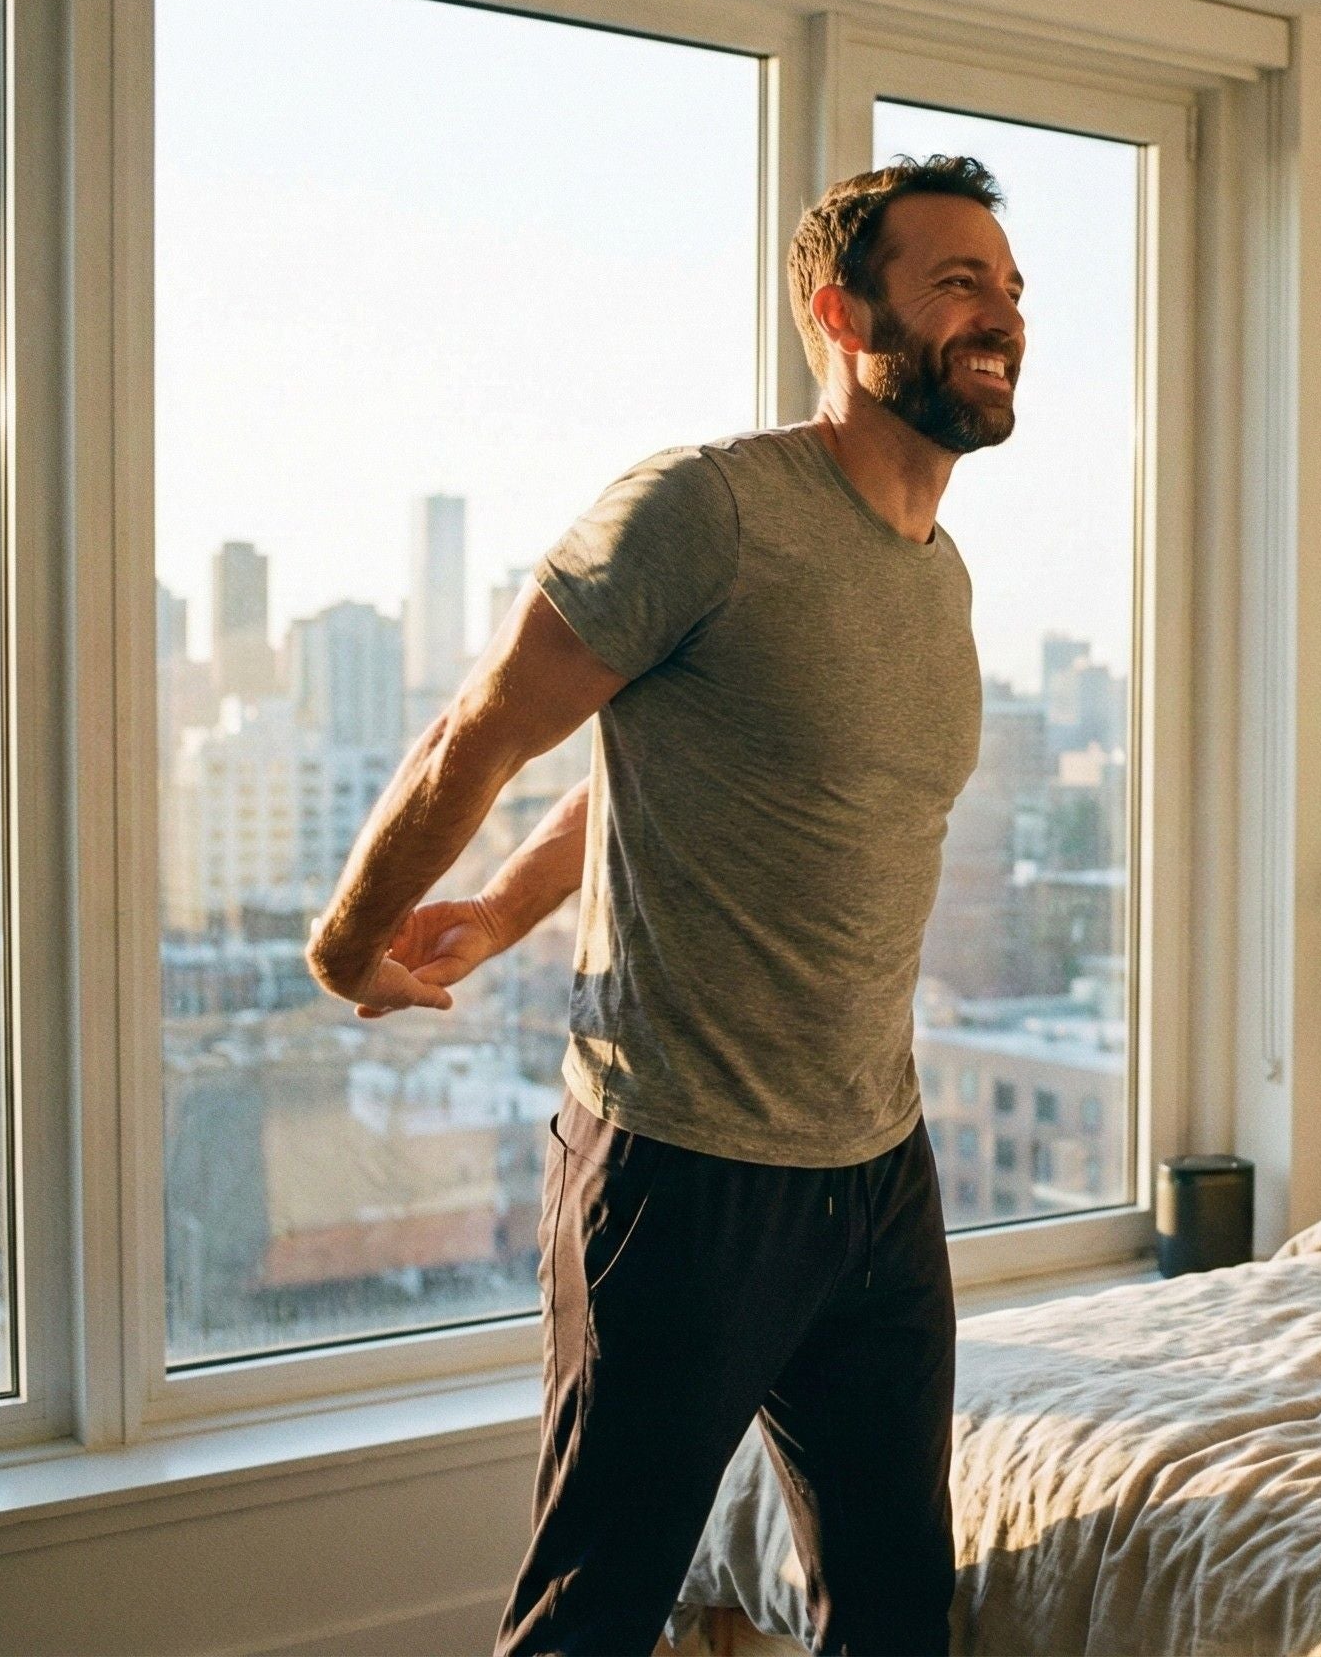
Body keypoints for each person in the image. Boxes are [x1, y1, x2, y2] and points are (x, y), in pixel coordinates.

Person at [303, 154, 1025, 1657]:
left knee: (899, 1609)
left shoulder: (940, 573)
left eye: (1011, 290)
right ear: (843, 316)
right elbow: (481, 731)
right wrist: (346, 941)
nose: (1001, 317)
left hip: (876, 1170)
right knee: (592, 1621)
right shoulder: (707, 509)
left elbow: (688, 754)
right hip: (681, 1173)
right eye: (958, 283)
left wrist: (504, 909)